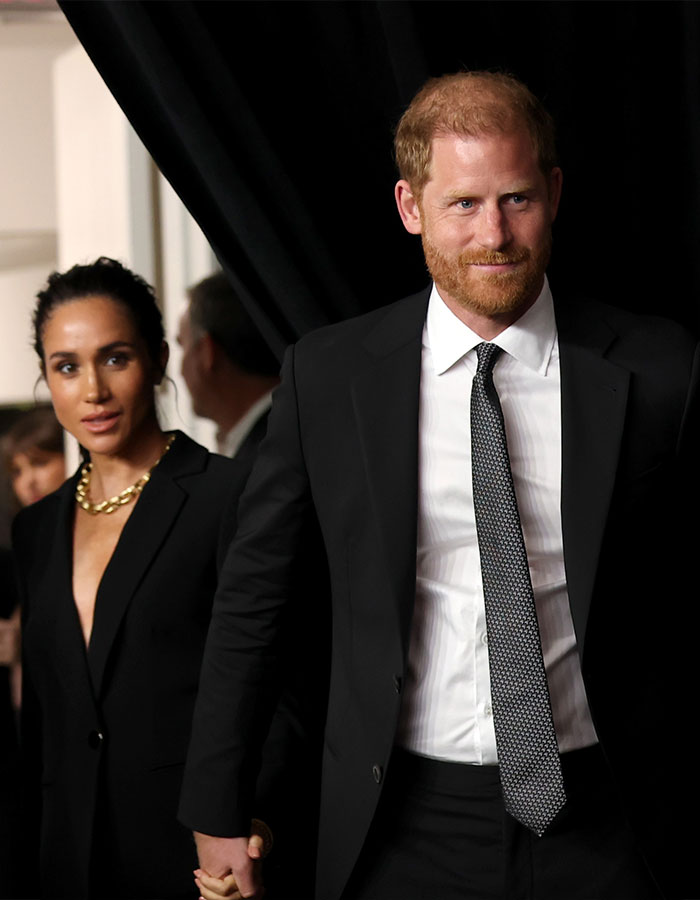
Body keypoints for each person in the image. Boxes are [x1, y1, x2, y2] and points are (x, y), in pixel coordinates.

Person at [179, 72, 699, 900]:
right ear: (410, 206)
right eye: (463, 204)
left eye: (516, 199)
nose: (495, 234)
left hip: (614, 817)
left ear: (554, 193)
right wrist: (217, 804)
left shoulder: (661, 368)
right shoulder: (330, 377)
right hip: (401, 821)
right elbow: (254, 602)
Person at [12, 257, 299, 899]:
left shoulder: (230, 494)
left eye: (115, 358)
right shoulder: (35, 530)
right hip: (65, 864)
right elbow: (44, 726)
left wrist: (249, 825)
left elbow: (284, 690)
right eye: (67, 367)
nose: (93, 390)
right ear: (47, 379)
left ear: (158, 358)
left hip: (195, 859)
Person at [177, 271, 280, 458]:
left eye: (182, 346)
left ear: (207, 352)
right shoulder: (295, 423)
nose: (180, 371)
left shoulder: (265, 457)